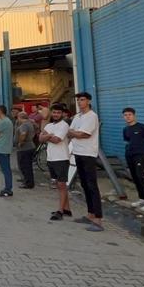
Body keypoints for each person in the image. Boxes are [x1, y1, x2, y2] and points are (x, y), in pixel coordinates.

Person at [68, 92, 103, 232]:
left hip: (88, 153)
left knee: (92, 184)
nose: (79, 102)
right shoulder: (77, 116)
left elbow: (85, 134)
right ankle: (90, 214)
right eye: (78, 100)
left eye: (82, 100)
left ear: (88, 101)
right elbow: (71, 131)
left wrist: (74, 133)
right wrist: (75, 133)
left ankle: (99, 219)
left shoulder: (92, 116)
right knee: (84, 184)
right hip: (78, 152)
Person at [40, 104, 73, 220]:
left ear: (62, 114)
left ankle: (60, 210)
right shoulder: (49, 125)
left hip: (61, 158)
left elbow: (56, 140)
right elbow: (40, 139)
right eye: (54, 112)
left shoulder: (64, 125)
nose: (56, 114)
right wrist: (49, 135)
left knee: (61, 184)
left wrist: (46, 136)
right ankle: (67, 209)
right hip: (51, 158)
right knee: (59, 185)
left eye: (58, 113)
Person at [123, 107, 144, 212]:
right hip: (130, 156)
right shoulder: (125, 129)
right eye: (125, 115)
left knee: (141, 177)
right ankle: (142, 199)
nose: (127, 117)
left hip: (142, 155)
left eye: (129, 114)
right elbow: (128, 142)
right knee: (135, 177)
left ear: (134, 115)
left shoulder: (143, 127)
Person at [15, 112, 37, 189]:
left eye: (18, 117)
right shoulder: (30, 123)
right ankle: (28, 181)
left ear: (20, 117)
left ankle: (28, 183)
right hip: (30, 146)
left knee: (24, 166)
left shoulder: (24, 125)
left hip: (25, 148)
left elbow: (23, 134)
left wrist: (20, 142)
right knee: (28, 166)